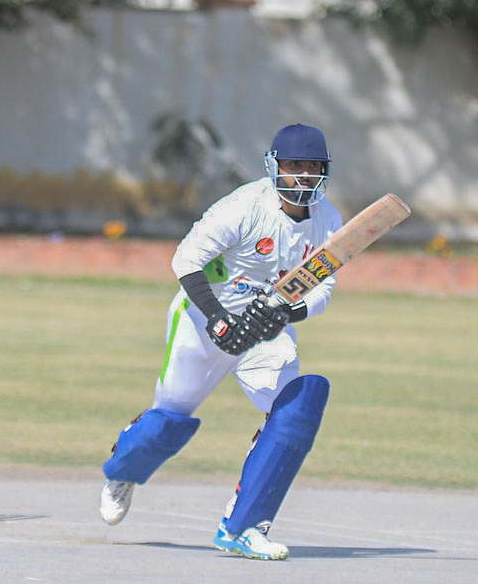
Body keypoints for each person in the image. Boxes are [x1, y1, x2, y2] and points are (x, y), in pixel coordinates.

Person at [99, 124, 343, 560]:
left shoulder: (330, 221)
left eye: (312, 167)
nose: (303, 176)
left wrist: (285, 315)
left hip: (265, 334)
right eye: (294, 166)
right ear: (274, 167)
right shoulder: (244, 206)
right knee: (168, 420)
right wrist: (217, 317)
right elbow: (186, 259)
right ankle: (124, 471)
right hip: (202, 322)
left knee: (295, 409)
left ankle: (243, 526)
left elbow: (322, 289)